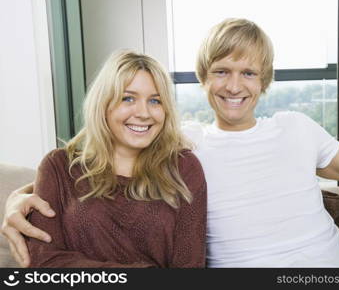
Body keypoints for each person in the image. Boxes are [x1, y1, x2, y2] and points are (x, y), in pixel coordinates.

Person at [2, 18, 339, 267]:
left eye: (248, 73)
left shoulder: (297, 127)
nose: (234, 86)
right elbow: (101, 160)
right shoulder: (184, 148)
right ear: (202, 79)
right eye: (221, 71)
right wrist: (19, 196)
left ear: (265, 81)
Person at [3, 50, 207, 267]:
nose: (144, 113)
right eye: (128, 98)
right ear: (103, 104)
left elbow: (190, 266)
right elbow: (44, 261)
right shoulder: (58, 167)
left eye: (155, 101)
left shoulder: (183, 168)